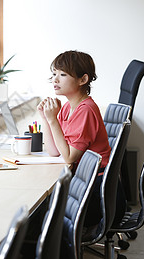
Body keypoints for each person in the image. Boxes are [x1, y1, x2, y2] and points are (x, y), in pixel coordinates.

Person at [37, 50, 112, 227]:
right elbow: (55, 151)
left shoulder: (85, 110)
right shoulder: (67, 107)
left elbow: (69, 156)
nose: (55, 79)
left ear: (82, 80)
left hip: (94, 192)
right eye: (54, 74)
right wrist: (46, 119)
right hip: (83, 185)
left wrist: (53, 120)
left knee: (39, 216)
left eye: (62, 75)